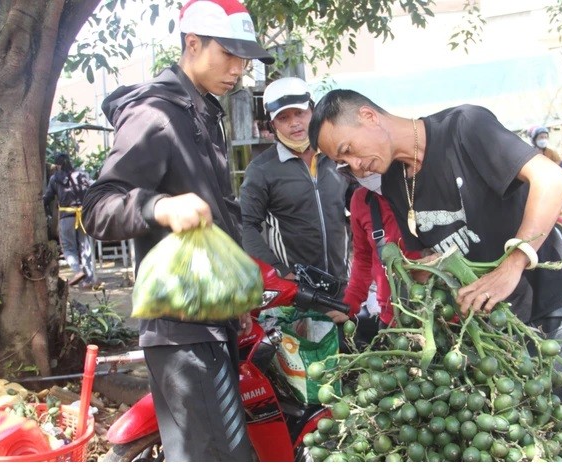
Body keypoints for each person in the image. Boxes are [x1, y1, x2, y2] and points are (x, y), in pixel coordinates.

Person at [308, 89, 562, 462]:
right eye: (344, 162)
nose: (355, 166)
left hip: (551, 311)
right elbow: (428, 257)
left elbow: (552, 181)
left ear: (370, 117)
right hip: (496, 335)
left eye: (349, 149)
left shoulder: (463, 128)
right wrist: (416, 292)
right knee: (534, 445)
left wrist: (513, 263)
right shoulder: (395, 182)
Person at [81, 0, 274, 461]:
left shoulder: (204, 114)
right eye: (228, 55)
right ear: (192, 43)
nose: (239, 70)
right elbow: (98, 208)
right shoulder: (157, 115)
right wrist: (159, 205)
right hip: (181, 333)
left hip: (211, 320)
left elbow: (219, 215)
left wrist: (234, 300)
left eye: (244, 59)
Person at [239, 77, 350, 319]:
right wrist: (279, 271)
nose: (295, 124)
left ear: (312, 110)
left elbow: (360, 208)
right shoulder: (261, 169)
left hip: (344, 287)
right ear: (272, 124)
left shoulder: (336, 156)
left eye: (299, 113)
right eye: (283, 118)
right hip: (297, 294)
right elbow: (245, 225)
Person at [339, 173, 421, 338]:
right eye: (345, 165)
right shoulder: (361, 200)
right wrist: (349, 304)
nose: (357, 166)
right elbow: (364, 258)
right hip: (393, 319)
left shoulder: (426, 187)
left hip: (444, 314)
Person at [43, 152, 96, 288]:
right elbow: (93, 188)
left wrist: (41, 203)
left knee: (68, 247)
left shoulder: (55, 179)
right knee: (85, 247)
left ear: (57, 165)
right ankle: (88, 280)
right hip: (83, 215)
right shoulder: (82, 175)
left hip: (66, 216)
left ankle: (78, 271)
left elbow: (48, 197)